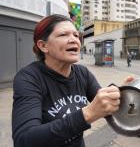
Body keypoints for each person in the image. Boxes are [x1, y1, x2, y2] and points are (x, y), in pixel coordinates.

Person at [12, 14, 133, 147]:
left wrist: (123, 96)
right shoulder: (29, 78)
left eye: (76, 35)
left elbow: (105, 106)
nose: (74, 40)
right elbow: (24, 140)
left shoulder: (83, 73)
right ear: (43, 46)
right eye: (63, 34)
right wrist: (87, 114)